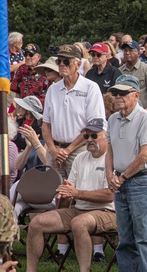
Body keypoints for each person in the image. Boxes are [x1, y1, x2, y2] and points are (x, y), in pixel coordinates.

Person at [25, 118, 116, 272]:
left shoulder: (112, 158)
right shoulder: (80, 157)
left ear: (107, 137)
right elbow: (71, 189)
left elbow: (109, 195)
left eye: (94, 135)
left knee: (79, 223)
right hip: (79, 209)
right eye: (86, 135)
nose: (89, 139)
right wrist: (64, 195)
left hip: (107, 211)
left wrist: (76, 193)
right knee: (37, 222)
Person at [106, 75, 147, 272]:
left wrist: (121, 177)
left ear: (136, 95)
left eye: (122, 93)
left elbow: (145, 155)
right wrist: (110, 175)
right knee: (125, 237)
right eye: (115, 93)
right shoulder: (112, 119)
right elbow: (109, 150)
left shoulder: (146, 118)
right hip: (122, 180)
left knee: (144, 236)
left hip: (141, 180)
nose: (117, 97)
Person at [41, 44, 106, 179]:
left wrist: (68, 150)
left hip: (79, 150)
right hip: (54, 150)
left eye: (66, 62)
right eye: (59, 61)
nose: (62, 65)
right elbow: (46, 124)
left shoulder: (90, 88)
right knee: (53, 193)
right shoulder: (53, 90)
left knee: (77, 192)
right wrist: (53, 150)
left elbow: (94, 125)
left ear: (78, 64)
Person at [119, 39, 147, 113]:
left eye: (130, 50)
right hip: (124, 111)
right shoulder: (119, 71)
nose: (127, 53)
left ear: (139, 53)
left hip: (143, 111)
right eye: (125, 50)